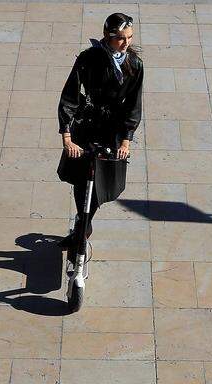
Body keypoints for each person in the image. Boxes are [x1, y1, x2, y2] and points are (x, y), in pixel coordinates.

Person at [56, 13, 144, 251]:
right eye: (120, 39)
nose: (125, 44)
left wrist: (126, 140)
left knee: (101, 181)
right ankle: (82, 226)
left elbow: (133, 104)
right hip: (87, 124)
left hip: (112, 130)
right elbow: (70, 95)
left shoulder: (134, 65)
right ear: (108, 36)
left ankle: (83, 226)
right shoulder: (88, 59)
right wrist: (67, 135)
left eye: (129, 38)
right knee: (80, 178)